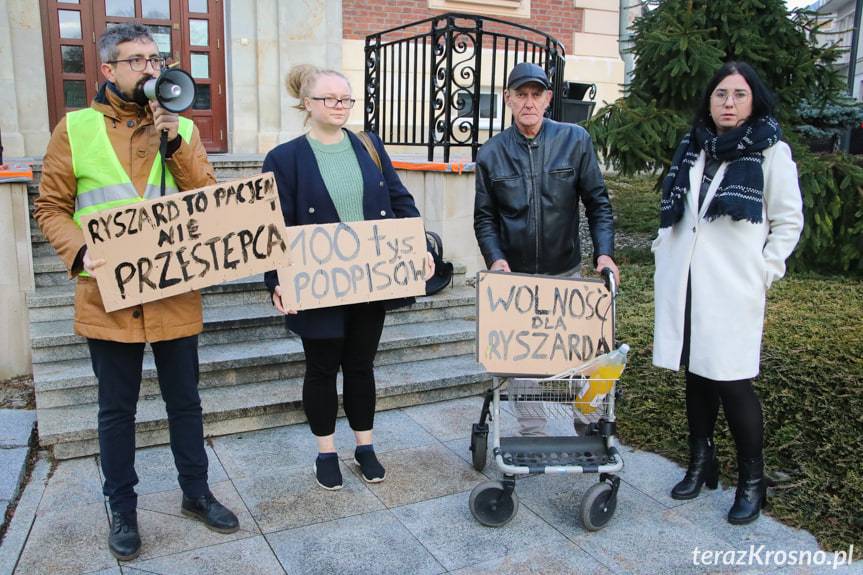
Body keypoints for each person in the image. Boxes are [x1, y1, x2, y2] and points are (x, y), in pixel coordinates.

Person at [34, 24, 239, 561]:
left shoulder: (184, 131)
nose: (151, 69)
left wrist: (174, 142)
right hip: (107, 293)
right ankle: (122, 507)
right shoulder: (75, 128)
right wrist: (79, 254)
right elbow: (51, 207)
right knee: (115, 410)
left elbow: (209, 203)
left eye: (155, 59)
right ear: (108, 71)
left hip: (172, 292)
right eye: (137, 61)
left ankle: (196, 493)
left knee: (185, 404)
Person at [263, 65, 433, 491]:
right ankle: (325, 450)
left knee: (360, 366)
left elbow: (400, 201)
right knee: (321, 368)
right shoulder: (284, 159)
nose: (339, 106)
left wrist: (420, 249)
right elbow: (273, 227)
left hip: (370, 282)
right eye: (329, 99)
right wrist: (276, 281)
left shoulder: (369, 146)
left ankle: (365, 446)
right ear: (307, 103)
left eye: (345, 99)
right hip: (316, 283)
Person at [652, 61, 803, 525]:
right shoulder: (694, 148)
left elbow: (788, 221)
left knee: (733, 383)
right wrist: (662, 248)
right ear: (710, 100)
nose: (729, 103)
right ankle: (703, 463)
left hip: (733, 287)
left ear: (753, 100)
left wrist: (764, 269)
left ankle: (751, 482)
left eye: (738, 94)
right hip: (687, 282)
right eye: (721, 94)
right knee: (696, 376)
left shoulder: (771, 153)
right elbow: (681, 215)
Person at [473, 62, 618, 435]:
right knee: (522, 358)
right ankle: (533, 432)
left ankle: (587, 414)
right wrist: (497, 260)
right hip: (517, 276)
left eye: (536, 94)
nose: (529, 102)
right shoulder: (491, 153)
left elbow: (598, 202)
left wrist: (604, 253)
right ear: (507, 99)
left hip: (565, 271)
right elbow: (485, 217)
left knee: (590, 350)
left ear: (548, 99)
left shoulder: (575, 140)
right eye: (520, 94)